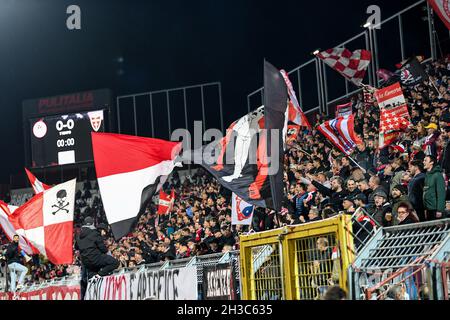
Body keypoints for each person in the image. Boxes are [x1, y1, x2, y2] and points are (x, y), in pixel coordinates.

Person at [423, 155, 446, 220]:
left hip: (435, 210)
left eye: (425, 160)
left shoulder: (437, 175)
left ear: (432, 162)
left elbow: (441, 193)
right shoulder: (427, 175)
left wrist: (439, 210)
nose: (423, 162)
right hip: (428, 209)